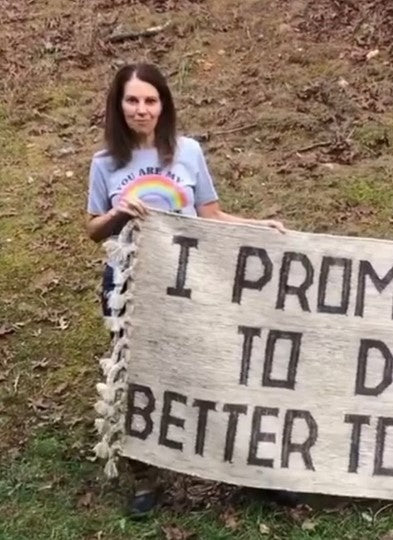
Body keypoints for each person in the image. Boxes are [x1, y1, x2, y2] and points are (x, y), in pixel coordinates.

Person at [86, 63, 285, 517]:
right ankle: (145, 479)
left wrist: (259, 227)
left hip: (193, 283)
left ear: (163, 105)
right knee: (139, 380)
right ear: (119, 106)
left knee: (216, 372)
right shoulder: (105, 164)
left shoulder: (188, 152)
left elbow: (211, 216)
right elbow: (93, 230)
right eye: (132, 100)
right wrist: (119, 213)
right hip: (131, 290)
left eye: (150, 100)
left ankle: (246, 469)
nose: (141, 109)